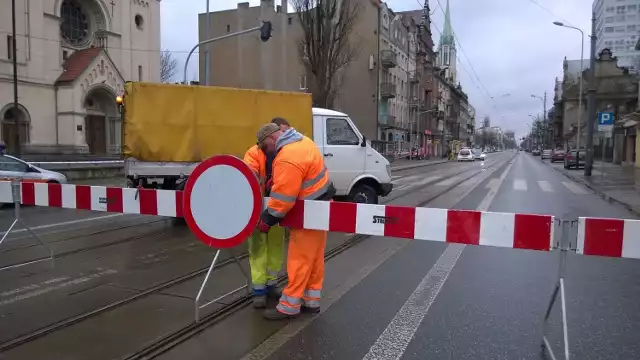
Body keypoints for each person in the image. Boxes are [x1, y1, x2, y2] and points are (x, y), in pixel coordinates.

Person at [254, 122, 336, 320]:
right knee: (314, 259)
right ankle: (311, 301)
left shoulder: (287, 156)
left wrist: (268, 218)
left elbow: (283, 198)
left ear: (273, 139)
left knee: (299, 259)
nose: (267, 153)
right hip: (321, 207)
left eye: (266, 147)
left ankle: (289, 306)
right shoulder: (303, 141)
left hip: (307, 213)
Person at [243, 141, 286, 308]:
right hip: (256, 208)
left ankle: (271, 283)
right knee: (257, 248)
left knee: (276, 246)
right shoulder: (254, 153)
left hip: (276, 210)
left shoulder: (283, 152)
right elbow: (249, 176)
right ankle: (259, 290)